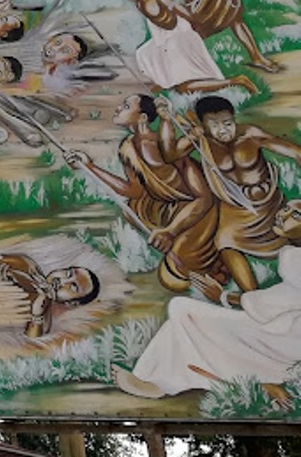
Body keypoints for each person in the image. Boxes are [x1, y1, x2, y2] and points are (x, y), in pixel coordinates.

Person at [114, 199, 301, 406]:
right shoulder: (293, 256)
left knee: (182, 310)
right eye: (286, 208)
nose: (283, 215)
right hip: (278, 330)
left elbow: (273, 304)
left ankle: (160, 380)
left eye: (296, 216)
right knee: (181, 311)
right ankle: (160, 379)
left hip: (284, 341)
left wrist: (222, 296)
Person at [66, 94, 218, 292]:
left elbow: (204, 198)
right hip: (168, 208)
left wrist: (170, 231)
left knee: (177, 278)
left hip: (199, 211)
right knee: (134, 210)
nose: (119, 108)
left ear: (143, 118)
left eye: (126, 105)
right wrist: (90, 167)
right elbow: (134, 191)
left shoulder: (163, 148)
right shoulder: (128, 145)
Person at [159, 94, 301, 291]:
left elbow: (295, 152)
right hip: (234, 209)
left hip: (269, 204)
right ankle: (251, 296)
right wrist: (166, 120)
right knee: (226, 242)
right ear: (203, 125)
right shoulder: (201, 142)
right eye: (215, 125)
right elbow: (169, 154)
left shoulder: (250, 134)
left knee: (295, 229)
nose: (223, 130)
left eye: (228, 123)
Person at [112, 0, 256, 93]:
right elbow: (155, 25)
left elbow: (179, 10)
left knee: (184, 87)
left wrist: (196, 23)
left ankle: (237, 81)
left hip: (181, 37)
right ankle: (167, 82)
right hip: (168, 38)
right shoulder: (139, 3)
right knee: (144, 53)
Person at [0, 254, 101, 337]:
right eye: (68, 274)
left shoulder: (43, 319)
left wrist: (36, 314)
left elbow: (30, 341)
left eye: (72, 287)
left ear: (71, 302)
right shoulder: (27, 265)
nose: (61, 281)